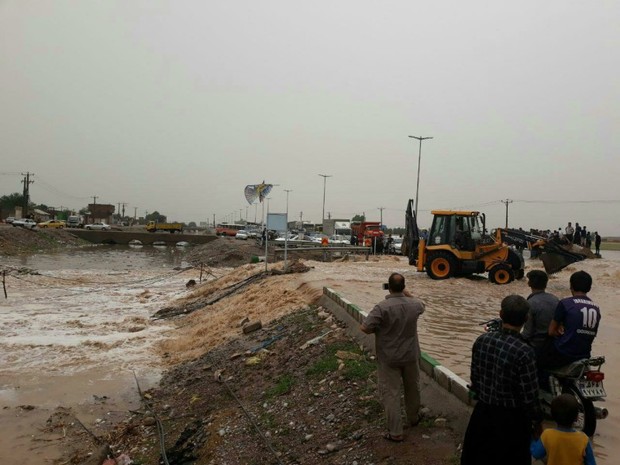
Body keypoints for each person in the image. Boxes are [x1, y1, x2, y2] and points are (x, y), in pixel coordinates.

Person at [461, 295, 542, 465]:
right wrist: (536, 423)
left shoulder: (482, 341)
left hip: (482, 414)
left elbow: (475, 378)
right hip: (512, 422)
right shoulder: (524, 351)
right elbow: (530, 396)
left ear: (500, 314)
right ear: (526, 319)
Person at [361, 273, 425, 442]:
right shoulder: (415, 305)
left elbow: (365, 328)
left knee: (391, 394)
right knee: (413, 388)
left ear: (389, 287)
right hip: (411, 355)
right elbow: (422, 305)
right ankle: (413, 418)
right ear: (403, 287)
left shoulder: (382, 307)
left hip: (389, 358)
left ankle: (396, 432)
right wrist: (407, 293)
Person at [538, 271, 601, 369]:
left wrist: (560, 331)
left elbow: (551, 332)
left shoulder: (565, 303)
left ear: (571, 286)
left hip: (563, 354)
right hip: (584, 354)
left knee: (540, 364)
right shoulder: (596, 308)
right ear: (589, 288)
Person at [531, 393, 597, 464]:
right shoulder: (583, 439)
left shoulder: (547, 435)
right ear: (577, 418)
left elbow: (535, 453)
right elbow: (591, 463)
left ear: (552, 415)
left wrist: (532, 439)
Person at [521, 270, 559, 352]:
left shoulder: (530, 303)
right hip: (555, 345)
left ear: (529, 284)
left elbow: (527, 334)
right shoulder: (555, 300)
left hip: (536, 347)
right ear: (546, 284)